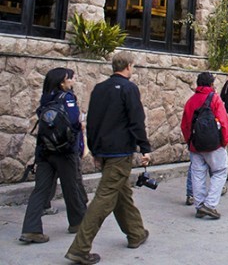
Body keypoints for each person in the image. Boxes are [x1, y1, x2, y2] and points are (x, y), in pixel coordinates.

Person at [66, 52, 151, 265]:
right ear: (129, 66)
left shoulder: (99, 89)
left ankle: (136, 233)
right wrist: (145, 148)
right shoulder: (129, 89)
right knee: (104, 199)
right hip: (120, 152)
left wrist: (94, 150)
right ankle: (80, 248)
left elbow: (91, 122)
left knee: (122, 194)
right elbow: (136, 120)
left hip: (104, 151)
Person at [20, 68, 87, 244]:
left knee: (40, 190)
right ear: (62, 83)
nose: (72, 81)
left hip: (44, 150)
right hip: (65, 151)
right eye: (69, 79)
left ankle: (31, 229)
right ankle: (78, 223)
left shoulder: (45, 98)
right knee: (71, 186)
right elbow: (74, 122)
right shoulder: (68, 98)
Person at [181, 72, 228, 220]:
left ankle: (199, 205)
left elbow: (185, 125)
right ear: (211, 84)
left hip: (195, 145)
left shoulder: (191, 101)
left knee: (198, 174)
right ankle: (209, 205)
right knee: (220, 171)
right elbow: (223, 122)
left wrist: (189, 141)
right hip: (214, 144)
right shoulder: (214, 99)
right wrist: (224, 141)